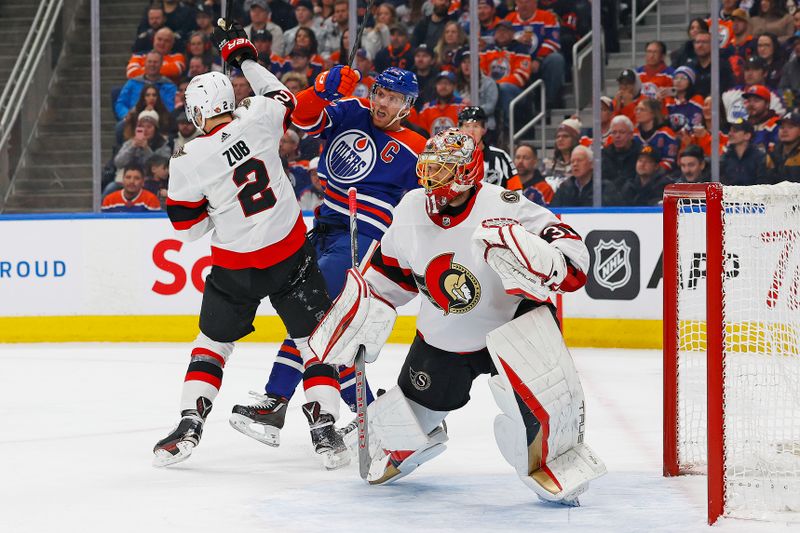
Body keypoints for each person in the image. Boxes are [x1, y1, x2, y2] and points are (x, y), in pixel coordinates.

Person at [306, 128, 605, 503]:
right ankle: (410, 440)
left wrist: (546, 259)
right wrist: (362, 312)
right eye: (429, 168)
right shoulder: (412, 208)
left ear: (467, 173)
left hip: (514, 329)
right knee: (404, 429)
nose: (432, 180)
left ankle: (554, 460)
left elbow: (573, 258)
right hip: (445, 334)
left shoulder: (505, 204)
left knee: (540, 427)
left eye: (443, 171)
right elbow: (388, 274)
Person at [153, 20, 346, 470]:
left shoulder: (188, 158)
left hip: (235, 267)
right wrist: (245, 58)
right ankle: (324, 429)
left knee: (212, 345)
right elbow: (288, 99)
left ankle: (189, 423)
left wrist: (215, 211)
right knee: (313, 344)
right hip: (291, 254)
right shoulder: (258, 115)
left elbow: (187, 227)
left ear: (199, 112)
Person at [230, 66, 426, 446]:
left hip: (361, 237)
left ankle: (278, 400)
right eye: (380, 92)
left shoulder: (416, 147)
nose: (382, 102)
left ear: (407, 105)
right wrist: (321, 88)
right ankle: (368, 410)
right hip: (323, 227)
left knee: (314, 316)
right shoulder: (351, 110)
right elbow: (301, 118)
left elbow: (430, 203)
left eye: (393, 98)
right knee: (325, 327)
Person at [503, 0, 565, 108]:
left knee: (556, 59)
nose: (523, 6)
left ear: (535, 3)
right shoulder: (509, 19)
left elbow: (553, 42)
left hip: (539, 60)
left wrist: (538, 59)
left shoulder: (547, 17)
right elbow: (502, 43)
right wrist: (515, 41)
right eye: (520, 2)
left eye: (527, 2)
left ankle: (548, 102)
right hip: (516, 63)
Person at [479, 20, 532, 123]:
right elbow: (481, 71)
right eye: (498, 31)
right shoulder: (487, 50)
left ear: (512, 34)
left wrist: (496, 85)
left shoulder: (521, 49)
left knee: (504, 88)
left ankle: (507, 125)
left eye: (505, 30)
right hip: (491, 87)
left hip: (516, 91)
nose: (501, 33)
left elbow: (521, 77)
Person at [458, 106, 520, 190]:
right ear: (460, 129)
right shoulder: (451, 158)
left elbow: (516, 191)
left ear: (484, 129)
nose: (471, 131)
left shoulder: (501, 157)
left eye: (476, 126)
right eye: (466, 126)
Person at [549, 145, 621, 207]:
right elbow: (554, 212)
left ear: (591, 164)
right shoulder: (564, 188)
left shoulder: (605, 188)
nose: (575, 164)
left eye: (579, 160)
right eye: (572, 161)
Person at [115, 52, 177, 121]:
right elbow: (120, 104)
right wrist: (126, 114)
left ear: (161, 64)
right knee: (120, 128)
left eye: (155, 62)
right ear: (145, 63)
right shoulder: (132, 83)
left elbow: (172, 108)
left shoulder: (170, 86)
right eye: (149, 62)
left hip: (161, 121)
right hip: (134, 119)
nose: (152, 65)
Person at [722, 56, 785, 123]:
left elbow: (776, 125)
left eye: (755, 69)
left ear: (765, 73)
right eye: (747, 69)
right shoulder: (729, 94)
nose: (750, 73)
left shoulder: (774, 98)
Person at [634, 98, 679, 173]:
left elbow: (669, 161)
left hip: (662, 177)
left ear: (653, 113)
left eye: (642, 109)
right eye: (637, 109)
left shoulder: (666, 133)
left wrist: (653, 172)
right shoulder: (634, 134)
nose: (637, 112)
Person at [684, 31, 735, 97]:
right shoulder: (689, 67)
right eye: (697, 42)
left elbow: (729, 90)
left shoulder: (722, 66)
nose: (700, 46)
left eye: (704, 42)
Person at [412, 71, 463, 136]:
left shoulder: (462, 106)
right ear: (436, 86)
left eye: (447, 83)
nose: (443, 86)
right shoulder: (426, 109)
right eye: (440, 83)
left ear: (454, 86)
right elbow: (421, 134)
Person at [721, 119, 764, 185]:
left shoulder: (759, 157)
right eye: (730, 130)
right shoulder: (725, 156)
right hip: (730, 194)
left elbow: (762, 181)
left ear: (747, 136)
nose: (730, 134)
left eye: (735, 131)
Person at [602, 115, 642, 188]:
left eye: (622, 132)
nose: (617, 136)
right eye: (614, 132)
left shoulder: (641, 153)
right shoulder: (604, 154)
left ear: (631, 135)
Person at [760, 111, 800, 183]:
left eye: (790, 127)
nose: (784, 131)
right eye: (782, 127)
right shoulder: (771, 153)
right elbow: (763, 181)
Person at [743, 84, 780, 152]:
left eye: (756, 101)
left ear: (767, 105)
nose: (751, 104)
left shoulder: (777, 125)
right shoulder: (742, 125)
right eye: (749, 101)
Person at [411, 44, 438, 111]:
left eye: (425, 56)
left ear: (432, 60)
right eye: (418, 56)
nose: (420, 59)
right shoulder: (408, 78)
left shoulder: (438, 79)